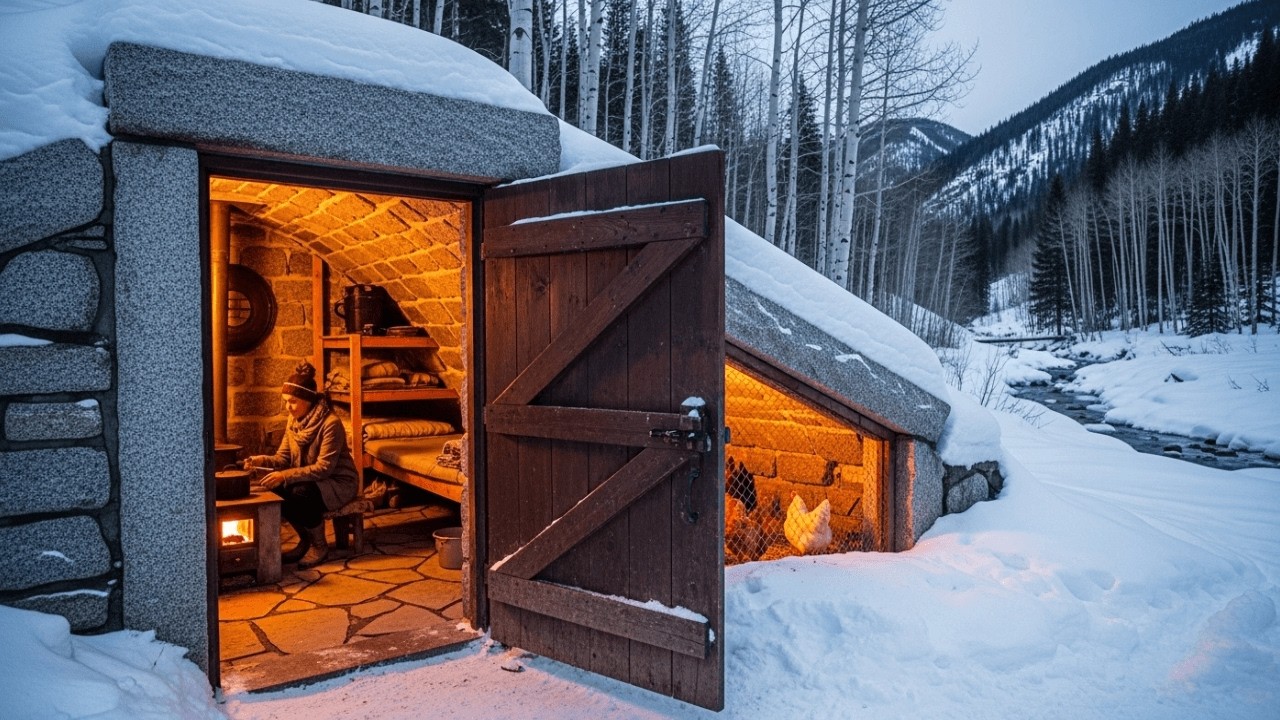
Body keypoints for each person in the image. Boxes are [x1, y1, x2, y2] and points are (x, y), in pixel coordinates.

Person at [243, 361, 358, 568]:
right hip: (310, 479)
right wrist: (259, 461)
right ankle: (306, 539)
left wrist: (285, 475)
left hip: (337, 483)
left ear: (308, 401)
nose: (288, 407)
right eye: (286, 401)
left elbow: (324, 468)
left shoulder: (330, 424)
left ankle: (319, 546)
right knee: (276, 488)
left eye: (293, 402)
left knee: (300, 493)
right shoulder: (293, 421)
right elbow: (282, 459)